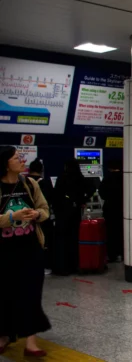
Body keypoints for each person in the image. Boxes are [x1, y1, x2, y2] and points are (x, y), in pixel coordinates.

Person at [0, 146, 51, 357]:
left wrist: (36, 214)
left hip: (30, 249)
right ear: (5, 163)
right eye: (16, 157)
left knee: (31, 293)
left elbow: (45, 210)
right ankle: (4, 335)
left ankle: (31, 342)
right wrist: (13, 217)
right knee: (5, 294)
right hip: (4, 251)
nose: (22, 160)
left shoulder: (29, 184)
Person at [52, 158, 94, 275]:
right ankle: (74, 265)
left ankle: (62, 267)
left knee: (61, 240)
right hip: (75, 212)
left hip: (62, 213)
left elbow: (56, 195)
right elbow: (92, 188)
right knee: (73, 239)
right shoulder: (80, 177)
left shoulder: (62, 178)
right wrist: (82, 200)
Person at [27, 158, 55, 273]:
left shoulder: (25, 182)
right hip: (42, 217)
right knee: (44, 241)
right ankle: (45, 265)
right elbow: (51, 199)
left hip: (27, 217)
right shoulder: (45, 182)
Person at [98, 159, 123, 262]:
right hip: (123, 210)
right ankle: (122, 253)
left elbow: (102, 194)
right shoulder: (126, 177)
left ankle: (112, 255)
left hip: (110, 209)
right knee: (122, 232)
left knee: (111, 233)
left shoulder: (107, 179)